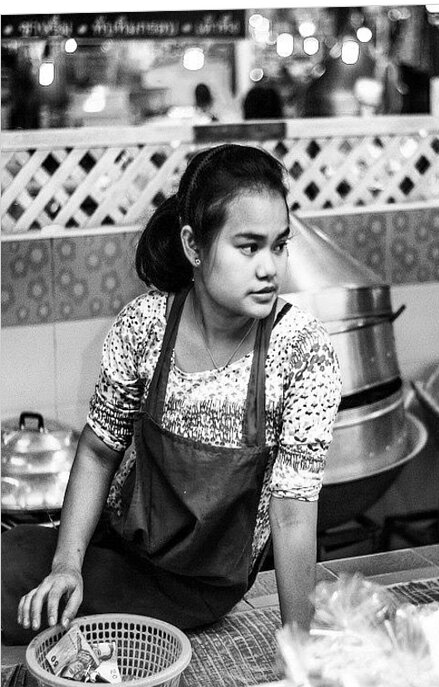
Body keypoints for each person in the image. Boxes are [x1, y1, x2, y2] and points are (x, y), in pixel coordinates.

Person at [1, 144, 342, 645]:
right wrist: (66, 566)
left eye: (279, 245)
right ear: (193, 245)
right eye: (249, 247)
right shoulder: (144, 325)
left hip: (197, 583)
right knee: (14, 559)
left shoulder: (302, 354)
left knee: (24, 609)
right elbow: (98, 454)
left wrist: (298, 648)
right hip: (120, 543)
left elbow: (292, 515)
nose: (271, 267)